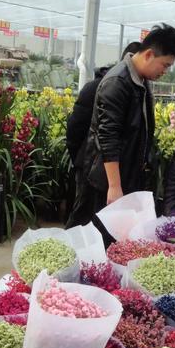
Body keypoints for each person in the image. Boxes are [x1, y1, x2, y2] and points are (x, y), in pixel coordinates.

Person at [68, 24, 175, 227]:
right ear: (149, 54)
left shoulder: (139, 79)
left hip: (128, 172)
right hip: (105, 179)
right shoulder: (117, 82)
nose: (165, 71)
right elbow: (108, 135)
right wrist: (114, 186)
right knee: (98, 231)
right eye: (165, 65)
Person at [65, 42, 142, 227]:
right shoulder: (97, 88)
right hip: (90, 165)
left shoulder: (139, 90)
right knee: (86, 217)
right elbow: (74, 129)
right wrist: (83, 160)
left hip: (116, 168)